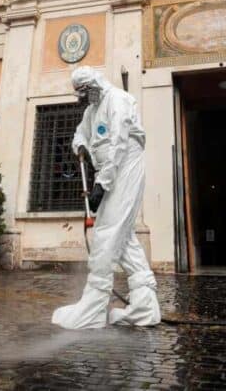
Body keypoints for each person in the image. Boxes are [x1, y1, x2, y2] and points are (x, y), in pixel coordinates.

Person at [51, 66, 161, 329]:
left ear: (94, 85)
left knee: (107, 234)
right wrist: (80, 145)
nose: (83, 98)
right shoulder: (92, 110)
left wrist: (103, 183)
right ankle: (145, 307)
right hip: (107, 172)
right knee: (123, 238)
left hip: (125, 167)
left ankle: (94, 307)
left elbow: (119, 142)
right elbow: (81, 132)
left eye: (85, 92)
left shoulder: (118, 99)